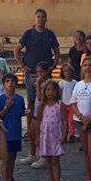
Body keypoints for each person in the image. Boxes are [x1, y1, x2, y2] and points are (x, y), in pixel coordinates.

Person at [14, 8, 60, 136]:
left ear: (46, 19)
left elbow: (57, 53)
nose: (40, 19)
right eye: (38, 16)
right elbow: (16, 50)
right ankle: (30, 130)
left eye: (43, 17)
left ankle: (45, 127)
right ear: (35, 19)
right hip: (31, 72)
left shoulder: (50, 34)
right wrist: (22, 65)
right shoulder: (28, 34)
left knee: (47, 99)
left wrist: (53, 66)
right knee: (31, 100)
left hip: (46, 73)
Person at [0, 73, 26, 181]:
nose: (10, 83)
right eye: (7, 81)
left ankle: (10, 178)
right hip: (5, 134)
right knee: (5, 159)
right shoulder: (0, 99)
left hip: (16, 132)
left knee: (13, 157)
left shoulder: (20, 99)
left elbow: (21, 112)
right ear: (4, 84)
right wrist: (7, 107)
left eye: (12, 81)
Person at [36, 79, 66, 181]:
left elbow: (64, 120)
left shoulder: (60, 104)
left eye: (53, 89)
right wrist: (37, 136)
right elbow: (38, 121)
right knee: (48, 159)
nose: (50, 92)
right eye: (48, 89)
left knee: (55, 160)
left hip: (56, 135)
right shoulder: (42, 105)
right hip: (45, 135)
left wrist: (64, 134)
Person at [21, 61, 51, 169]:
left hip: (44, 114)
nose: (39, 74)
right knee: (31, 134)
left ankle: (44, 157)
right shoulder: (39, 82)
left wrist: (38, 85)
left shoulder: (49, 84)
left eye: (41, 72)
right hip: (36, 112)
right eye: (37, 72)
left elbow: (40, 98)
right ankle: (32, 155)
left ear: (47, 72)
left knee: (40, 136)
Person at [58, 64, 77, 142]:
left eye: (69, 70)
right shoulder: (61, 83)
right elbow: (59, 94)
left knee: (71, 120)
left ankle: (72, 134)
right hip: (63, 104)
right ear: (62, 72)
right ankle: (63, 134)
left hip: (72, 104)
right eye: (65, 71)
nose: (67, 72)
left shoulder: (75, 83)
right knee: (63, 120)